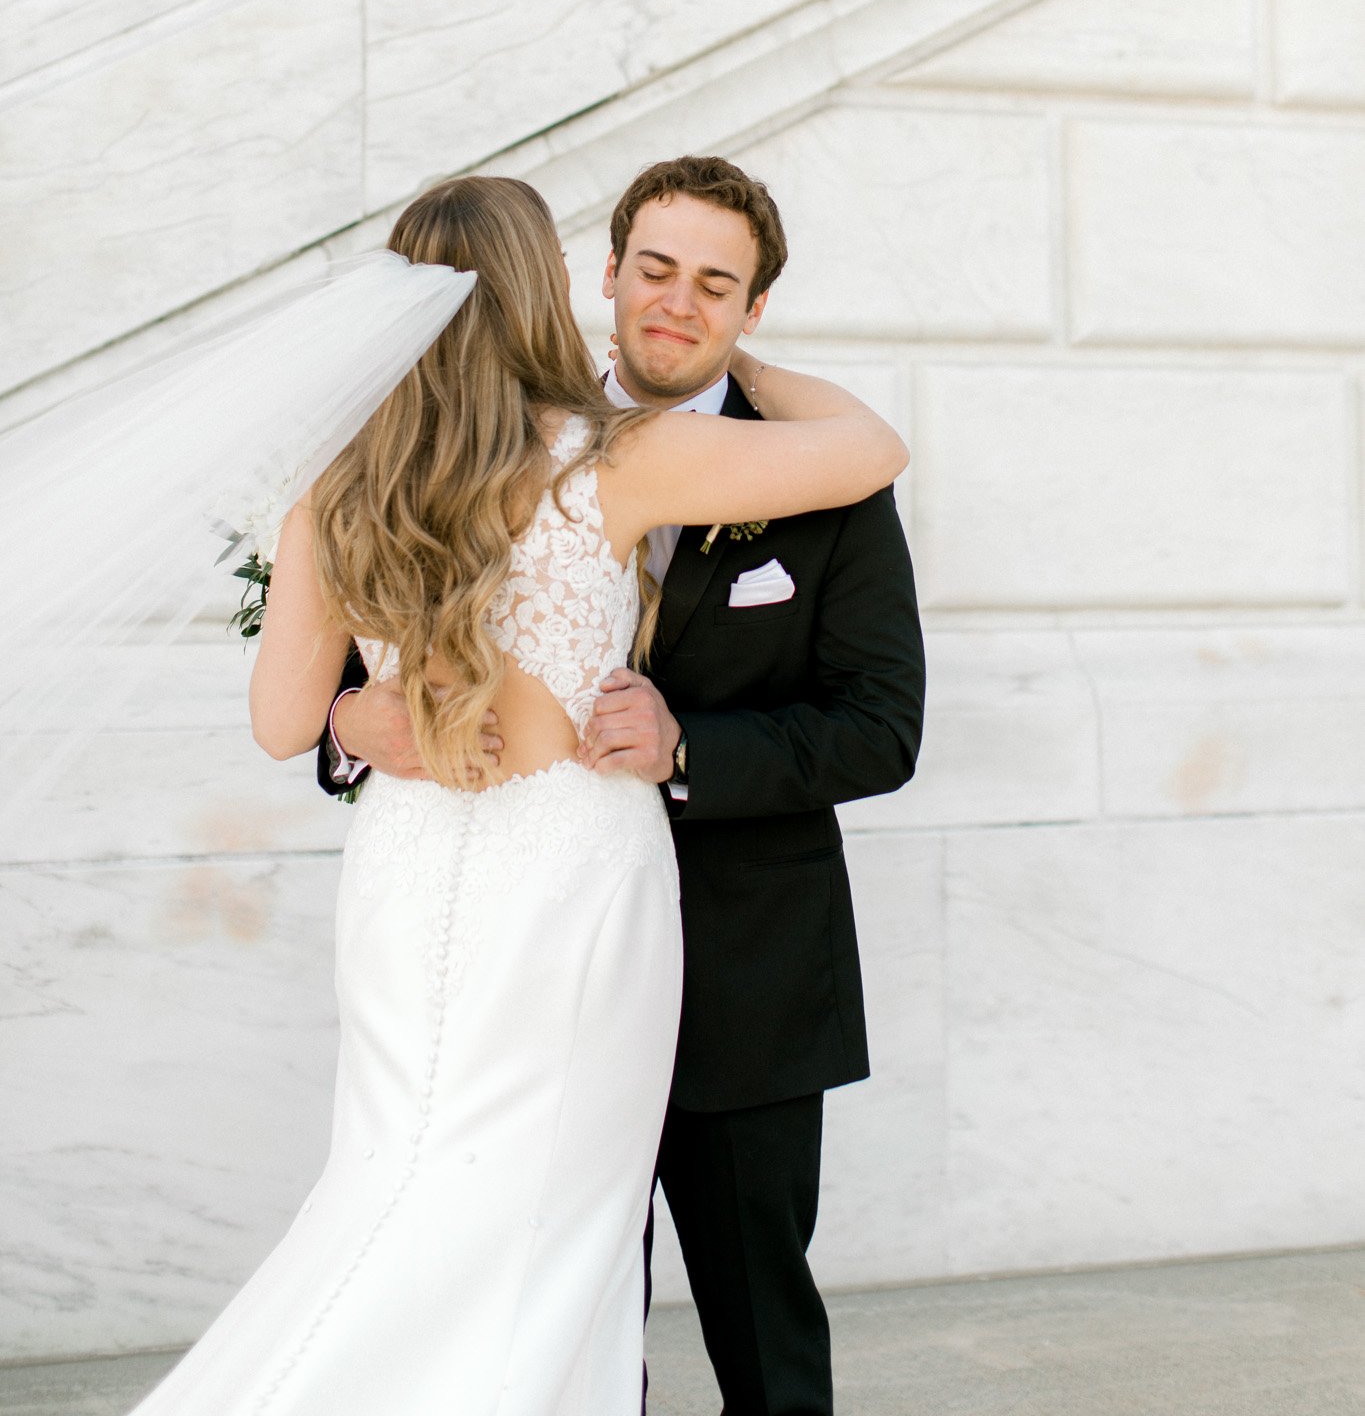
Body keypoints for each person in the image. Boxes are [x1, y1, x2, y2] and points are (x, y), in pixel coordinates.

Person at [129, 171, 907, 1416]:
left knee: (417, 1182)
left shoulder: (335, 491)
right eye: (652, 268)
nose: (676, 302)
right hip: (570, 884)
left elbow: (278, 721)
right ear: (570, 284)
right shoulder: (616, 460)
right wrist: (360, 718)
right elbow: (875, 445)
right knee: (551, 1219)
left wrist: (348, 711)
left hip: (434, 879)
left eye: (718, 287)